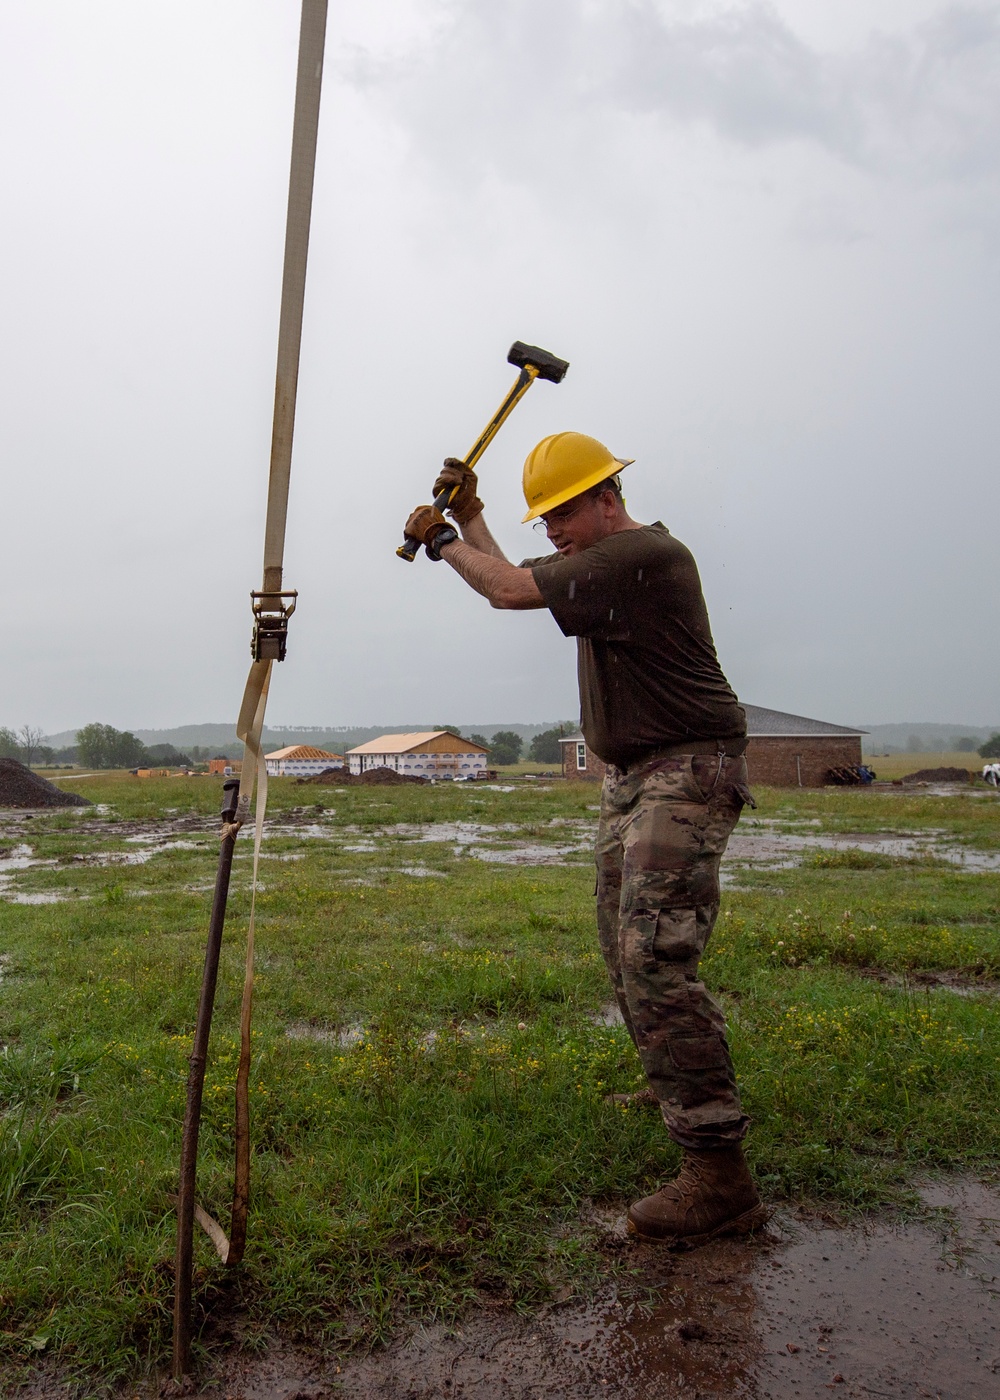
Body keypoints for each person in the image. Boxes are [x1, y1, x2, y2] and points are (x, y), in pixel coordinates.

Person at [403, 431, 767, 1246]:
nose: (556, 529)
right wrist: (475, 514)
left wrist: (444, 539)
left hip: (685, 771)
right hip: (635, 774)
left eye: (564, 512)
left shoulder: (644, 558)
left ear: (609, 498)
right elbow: (524, 579)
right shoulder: (605, 565)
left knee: (654, 958)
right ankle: (669, 1079)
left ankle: (719, 1173)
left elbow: (506, 592)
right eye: (546, 519)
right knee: (619, 942)